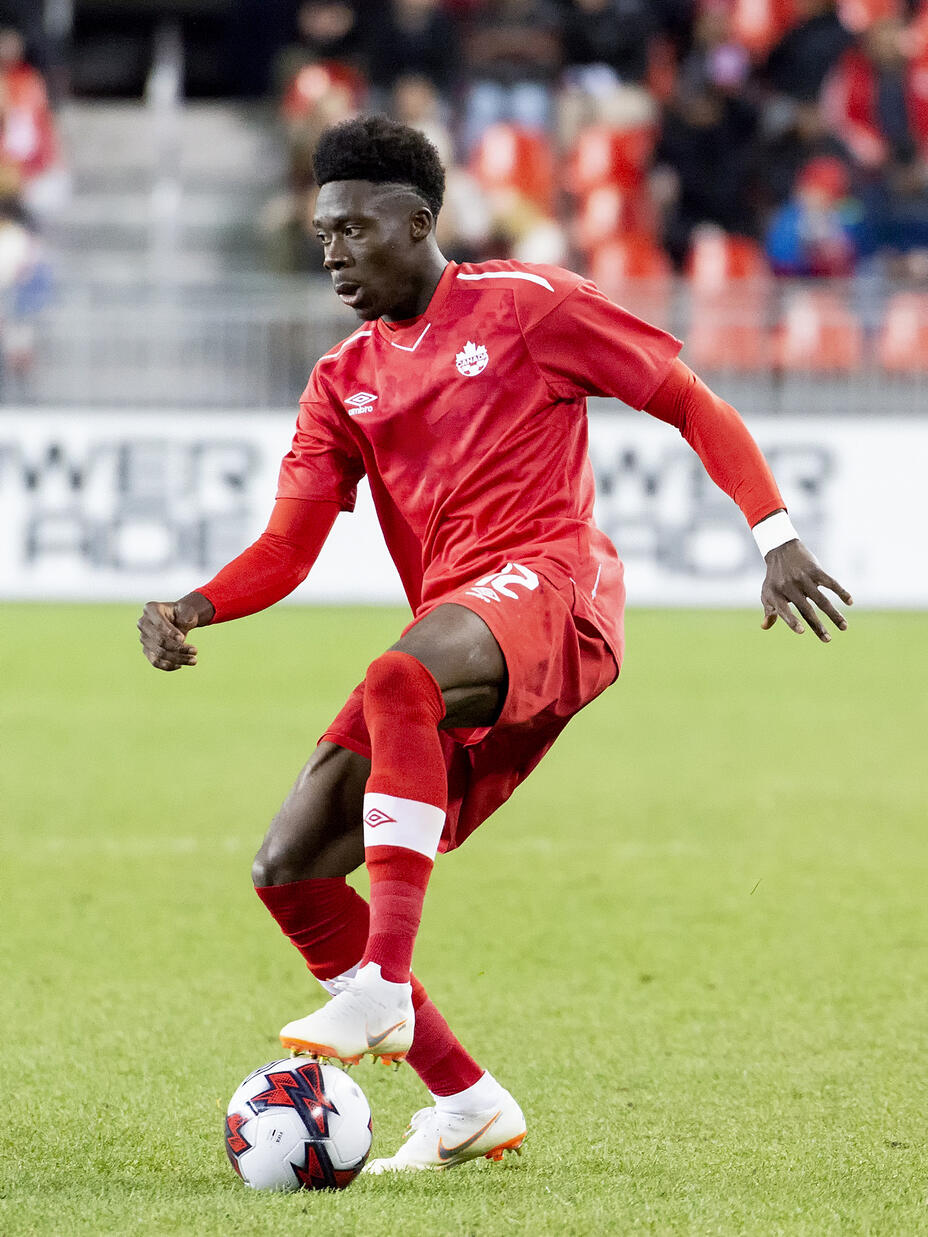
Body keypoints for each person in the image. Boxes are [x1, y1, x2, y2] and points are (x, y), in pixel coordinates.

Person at [138, 116, 852, 1175]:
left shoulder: (526, 307)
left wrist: (776, 536)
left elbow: (688, 401)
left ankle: (382, 979)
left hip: (558, 587)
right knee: (287, 869)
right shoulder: (343, 380)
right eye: (319, 233)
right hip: (463, 629)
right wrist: (194, 605)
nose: (329, 250)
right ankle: (465, 1101)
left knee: (397, 673)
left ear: (417, 220)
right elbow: (289, 546)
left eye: (349, 228)